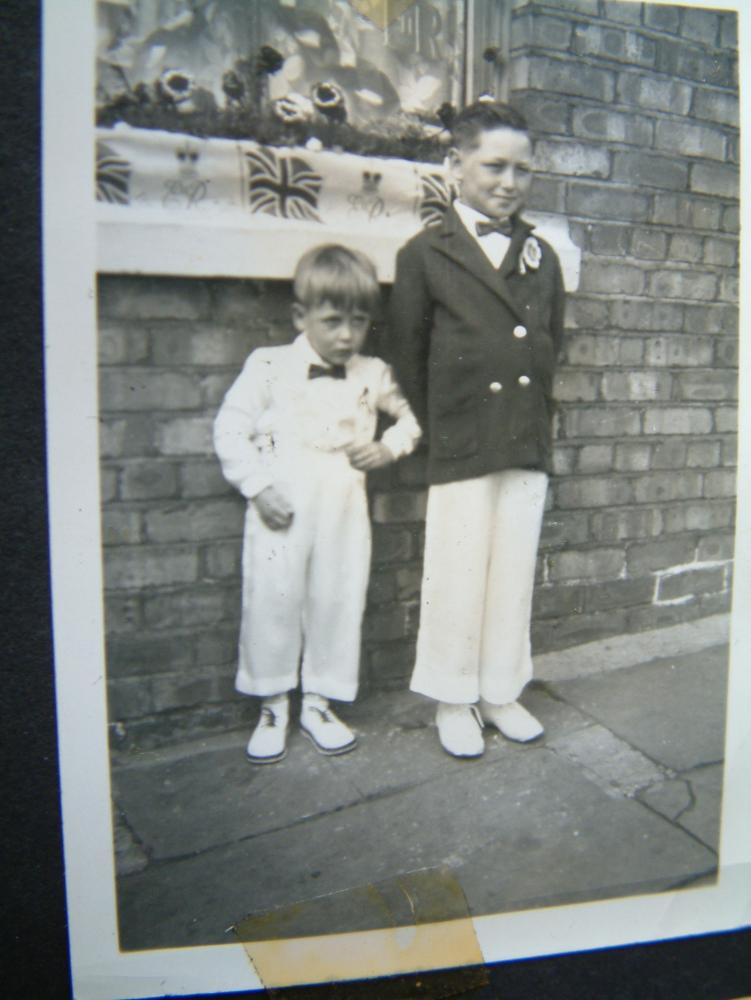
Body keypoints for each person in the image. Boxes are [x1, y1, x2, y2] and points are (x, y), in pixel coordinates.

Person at [388, 100, 565, 758]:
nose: (508, 182)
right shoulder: (425, 254)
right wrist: (433, 436)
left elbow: (552, 341)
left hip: (521, 434)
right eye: (493, 165)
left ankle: (499, 689)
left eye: (522, 170)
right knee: (457, 569)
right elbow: (405, 355)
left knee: (510, 568)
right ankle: (453, 697)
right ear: (453, 164)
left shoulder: (540, 256)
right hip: (460, 440)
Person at [214, 244, 421, 764]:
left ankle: (320, 702)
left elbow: (412, 419)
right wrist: (257, 487)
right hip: (280, 506)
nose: (347, 336)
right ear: (300, 316)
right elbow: (230, 428)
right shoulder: (268, 365)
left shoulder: (372, 372)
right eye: (332, 321)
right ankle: (272, 703)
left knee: (337, 599)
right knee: (273, 601)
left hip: (343, 507)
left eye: (359, 322)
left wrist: (387, 447)